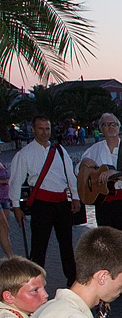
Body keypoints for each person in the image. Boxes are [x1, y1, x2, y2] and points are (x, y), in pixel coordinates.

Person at [78, 113, 122, 301]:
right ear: (101, 129)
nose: (110, 127)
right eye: (106, 125)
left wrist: (116, 174)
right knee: (107, 243)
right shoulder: (93, 150)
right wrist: (85, 165)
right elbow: (81, 169)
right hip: (103, 202)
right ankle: (116, 284)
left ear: (119, 126)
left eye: (114, 124)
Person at [9, 115, 80, 287]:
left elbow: (70, 175)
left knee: (66, 244)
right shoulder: (24, 154)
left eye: (47, 128)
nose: (45, 132)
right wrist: (16, 207)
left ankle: (72, 279)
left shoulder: (60, 151)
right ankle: (35, 282)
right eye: (41, 128)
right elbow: (16, 181)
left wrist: (75, 197)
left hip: (62, 202)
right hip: (42, 204)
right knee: (39, 246)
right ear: (33, 130)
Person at [0, 159, 13, 257]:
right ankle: (11, 257)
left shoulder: (1, 162)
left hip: (4, 197)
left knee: (4, 229)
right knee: (4, 227)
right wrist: (4, 181)